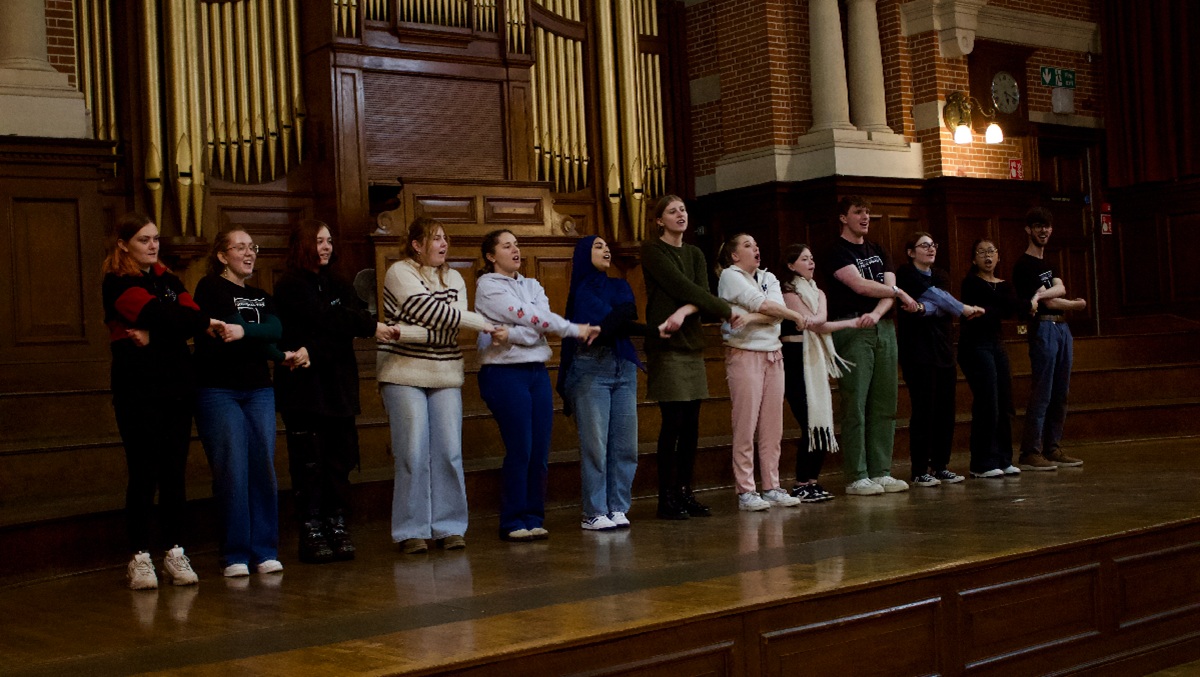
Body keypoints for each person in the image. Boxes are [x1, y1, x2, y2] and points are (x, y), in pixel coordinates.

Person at [102, 212, 217, 590]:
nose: (153, 246)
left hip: (177, 388)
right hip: (139, 389)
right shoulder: (117, 281)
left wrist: (157, 333)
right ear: (124, 244)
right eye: (144, 240)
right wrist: (168, 324)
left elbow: (195, 317)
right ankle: (139, 556)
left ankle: (174, 551)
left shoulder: (167, 278)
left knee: (173, 473)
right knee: (143, 472)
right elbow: (161, 313)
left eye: (155, 239)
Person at [274, 219, 393, 563]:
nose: (325, 246)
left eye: (328, 240)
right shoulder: (289, 286)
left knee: (338, 460)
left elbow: (351, 319)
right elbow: (331, 321)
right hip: (305, 389)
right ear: (302, 245)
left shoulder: (339, 282)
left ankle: (337, 523)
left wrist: (321, 342)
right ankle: (311, 527)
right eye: (318, 240)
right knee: (310, 461)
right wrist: (362, 326)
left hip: (338, 385)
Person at [378, 217, 494, 554]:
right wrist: (483, 323)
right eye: (435, 238)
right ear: (416, 244)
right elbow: (434, 314)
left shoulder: (455, 277)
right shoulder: (399, 272)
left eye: (445, 238)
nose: (443, 244)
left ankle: (449, 526)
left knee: (449, 452)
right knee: (412, 452)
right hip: (403, 372)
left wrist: (406, 331)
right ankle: (411, 530)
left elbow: (449, 327)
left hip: (445, 373)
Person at [475, 229, 593, 542]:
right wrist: (557, 329)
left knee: (540, 449)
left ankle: (533, 515)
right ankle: (513, 519)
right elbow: (532, 318)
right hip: (504, 373)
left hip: (536, 371)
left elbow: (540, 322)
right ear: (491, 256)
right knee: (521, 447)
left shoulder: (532, 284)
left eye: (516, 245)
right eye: (506, 246)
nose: (515, 250)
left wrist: (514, 334)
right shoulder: (487, 286)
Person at [193, 228, 289, 577]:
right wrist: (252, 331)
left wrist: (281, 354)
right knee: (232, 468)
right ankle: (235, 553)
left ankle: (264, 549)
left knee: (262, 464)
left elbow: (274, 329)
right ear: (222, 255)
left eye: (253, 247)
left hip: (258, 389)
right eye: (241, 248)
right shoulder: (210, 288)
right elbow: (229, 327)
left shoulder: (262, 295)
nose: (249, 253)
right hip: (219, 389)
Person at [641, 195, 738, 519]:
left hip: (691, 342)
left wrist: (685, 311)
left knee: (692, 425)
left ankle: (685, 491)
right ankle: (666, 496)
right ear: (659, 220)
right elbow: (681, 285)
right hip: (667, 345)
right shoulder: (653, 250)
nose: (680, 215)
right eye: (672, 211)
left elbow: (697, 294)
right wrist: (724, 309)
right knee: (674, 423)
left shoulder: (695, 252)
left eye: (682, 209)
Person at [823, 195, 918, 496]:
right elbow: (859, 284)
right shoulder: (836, 251)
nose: (864, 217)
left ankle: (881, 470)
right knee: (856, 404)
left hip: (880, 326)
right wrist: (898, 293)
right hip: (852, 328)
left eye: (867, 212)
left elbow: (887, 289)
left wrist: (878, 313)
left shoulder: (877, 249)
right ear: (843, 217)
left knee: (885, 403)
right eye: (858, 212)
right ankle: (857, 474)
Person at [557, 236, 645, 530]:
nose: (606, 249)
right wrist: (614, 323)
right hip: (591, 368)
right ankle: (594, 510)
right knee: (596, 444)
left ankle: (618, 506)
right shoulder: (581, 289)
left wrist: (607, 326)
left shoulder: (619, 283)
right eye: (597, 246)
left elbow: (627, 313)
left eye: (606, 245)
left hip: (623, 366)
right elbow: (612, 318)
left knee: (625, 443)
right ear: (584, 253)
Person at [715, 233, 805, 511]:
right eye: (747, 245)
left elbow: (774, 310)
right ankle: (746, 490)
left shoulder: (769, 278)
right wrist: (794, 316)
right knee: (745, 423)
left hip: (772, 353)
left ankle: (772, 485)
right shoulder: (730, 276)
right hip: (744, 354)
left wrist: (754, 317)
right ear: (734, 255)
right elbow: (764, 304)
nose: (755, 248)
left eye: (756, 244)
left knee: (772, 425)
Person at [895, 232, 983, 487]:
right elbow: (938, 300)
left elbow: (939, 302)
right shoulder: (906, 274)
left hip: (943, 350)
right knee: (924, 410)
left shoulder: (941, 274)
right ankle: (920, 469)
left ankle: (941, 465)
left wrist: (923, 308)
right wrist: (961, 308)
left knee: (946, 410)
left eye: (933, 244)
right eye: (924, 245)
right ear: (911, 252)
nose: (931, 249)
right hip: (918, 352)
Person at [1012, 207, 1088, 471]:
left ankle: (1052, 447)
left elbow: (1059, 289)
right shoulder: (1023, 265)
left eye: (1047, 226)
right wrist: (1073, 305)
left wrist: (1041, 295)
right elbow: (1055, 298)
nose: (1043, 230)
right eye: (1038, 226)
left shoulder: (1048, 263)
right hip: (1043, 327)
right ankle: (1031, 451)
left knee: (1061, 391)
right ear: (1028, 230)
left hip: (1061, 328)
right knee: (1043, 391)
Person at [779, 244, 853, 502]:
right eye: (803, 259)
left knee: (822, 418)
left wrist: (850, 322)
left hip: (815, 359)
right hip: (795, 359)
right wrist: (821, 316)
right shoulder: (787, 292)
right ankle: (801, 482)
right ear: (791, 265)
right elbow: (811, 321)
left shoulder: (818, 291)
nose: (810, 263)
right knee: (808, 420)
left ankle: (812, 481)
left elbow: (819, 320)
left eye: (811, 258)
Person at [958, 238, 1024, 478]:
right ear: (973, 259)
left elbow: (1011, 309)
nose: (987, 256)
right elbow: (992, 310)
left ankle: (1004, 458)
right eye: (981, 252)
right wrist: (994, 309)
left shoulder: (1004, 285)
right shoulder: (971, 283)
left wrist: (989, 310)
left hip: (996, 344)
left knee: (1005, 401)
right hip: (975, 346)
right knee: (988, 401)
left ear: (998, 257)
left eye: (991, 251)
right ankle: (981, 462)